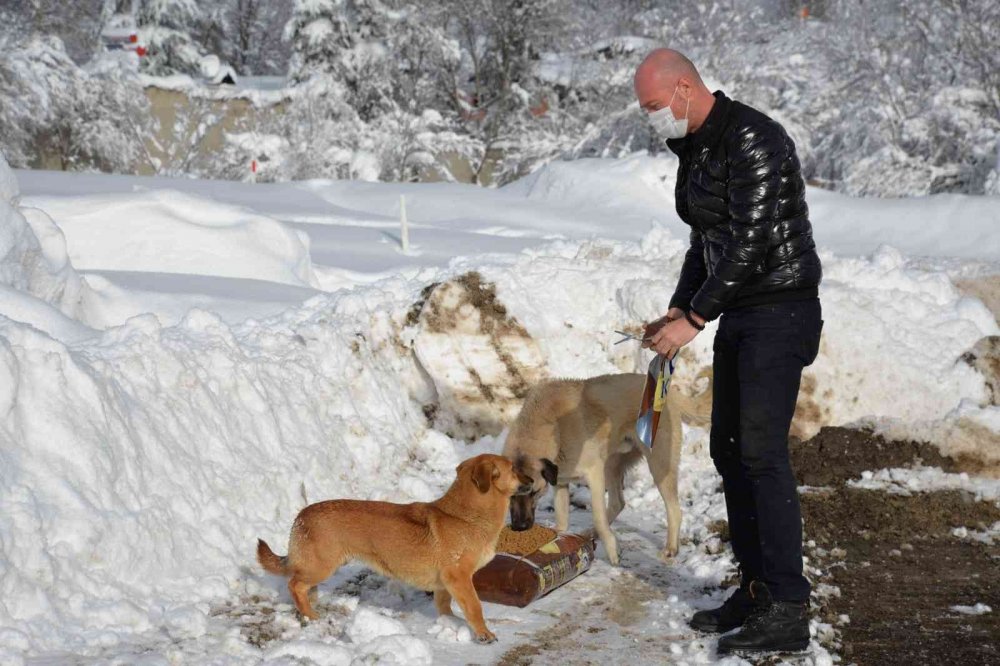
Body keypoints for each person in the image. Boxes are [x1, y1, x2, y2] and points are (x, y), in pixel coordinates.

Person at [634, 48, 823, 655]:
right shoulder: (696, 149)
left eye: (654, 106)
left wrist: (694, 317)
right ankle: (756, 589)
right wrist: (678, 304)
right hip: (742, 311)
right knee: (730, 449)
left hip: (782, 306)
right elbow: (706, 243)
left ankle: (789, 608)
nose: (651, 119)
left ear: (685, 88)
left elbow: (751, 240)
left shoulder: (755, 139)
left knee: (762, 454)